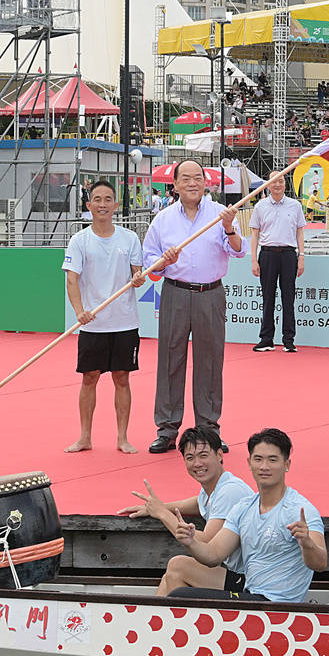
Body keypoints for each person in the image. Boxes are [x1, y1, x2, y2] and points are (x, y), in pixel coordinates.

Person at [142, 158, 244, 454]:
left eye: (197, 177)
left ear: (205, 182)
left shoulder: (219, 214)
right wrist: (164, 262)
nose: (192, 183)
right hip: (174, 293)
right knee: (170, 359)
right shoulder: (163, 219)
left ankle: (208, 428)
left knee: (210, 362)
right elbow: (150, 260)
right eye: (185, 178)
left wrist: (229, 228)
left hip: (210, 294)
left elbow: (237, 251)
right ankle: (167, 428)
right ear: (174, 185)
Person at [163, 428, 326, 602]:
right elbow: (213, 555)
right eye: (258, 459)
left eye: (272, 460)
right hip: (251, 598)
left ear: (287, 464)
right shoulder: (243, 508)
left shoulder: (300, 509)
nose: (264, 467)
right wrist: (190, 542)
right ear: (249, 463)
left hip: (279, 607)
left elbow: (320, 563)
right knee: (177, 582)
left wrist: (307, 543)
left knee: (179, 595)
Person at [62, 179, 145, 454]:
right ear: (89, 205)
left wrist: (138, 279)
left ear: (115, 205)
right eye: (97, 199)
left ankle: (122, 437)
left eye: (108, 199)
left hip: (124, 321)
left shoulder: (129, 238)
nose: (102, 204)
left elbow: (138, 274)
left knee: (122, 377)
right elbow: (72, 280)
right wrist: (79, 312)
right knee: (89, 378)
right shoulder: (79, 240)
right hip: (93, 323)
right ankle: (85, 437)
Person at [119, 426, 253, 595]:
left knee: (178, 566)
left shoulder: (230, 491)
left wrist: (162, 513)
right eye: (190, 457)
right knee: (171, 576)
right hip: (236, 573)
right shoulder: (214, 488)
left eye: (203, 455)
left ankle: (163, 619)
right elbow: (192, 504)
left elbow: (206, 543)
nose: (197, 463)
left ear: (219, 455)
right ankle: (158, 618)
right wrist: (154, 506)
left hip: (251, 581)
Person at [249, 172, 306, 353]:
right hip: (267, 255)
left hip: (289, 255)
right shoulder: (260, 206)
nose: (277, 185)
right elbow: (255, 235)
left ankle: (289, 340)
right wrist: (253, 260)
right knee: (267, 298)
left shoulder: (295, 206)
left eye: (280, 181)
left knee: (288, 298)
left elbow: (299, 232)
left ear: (285, 184)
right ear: (267, 185)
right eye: (274, 181)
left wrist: (302, 256)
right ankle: (266, 339)